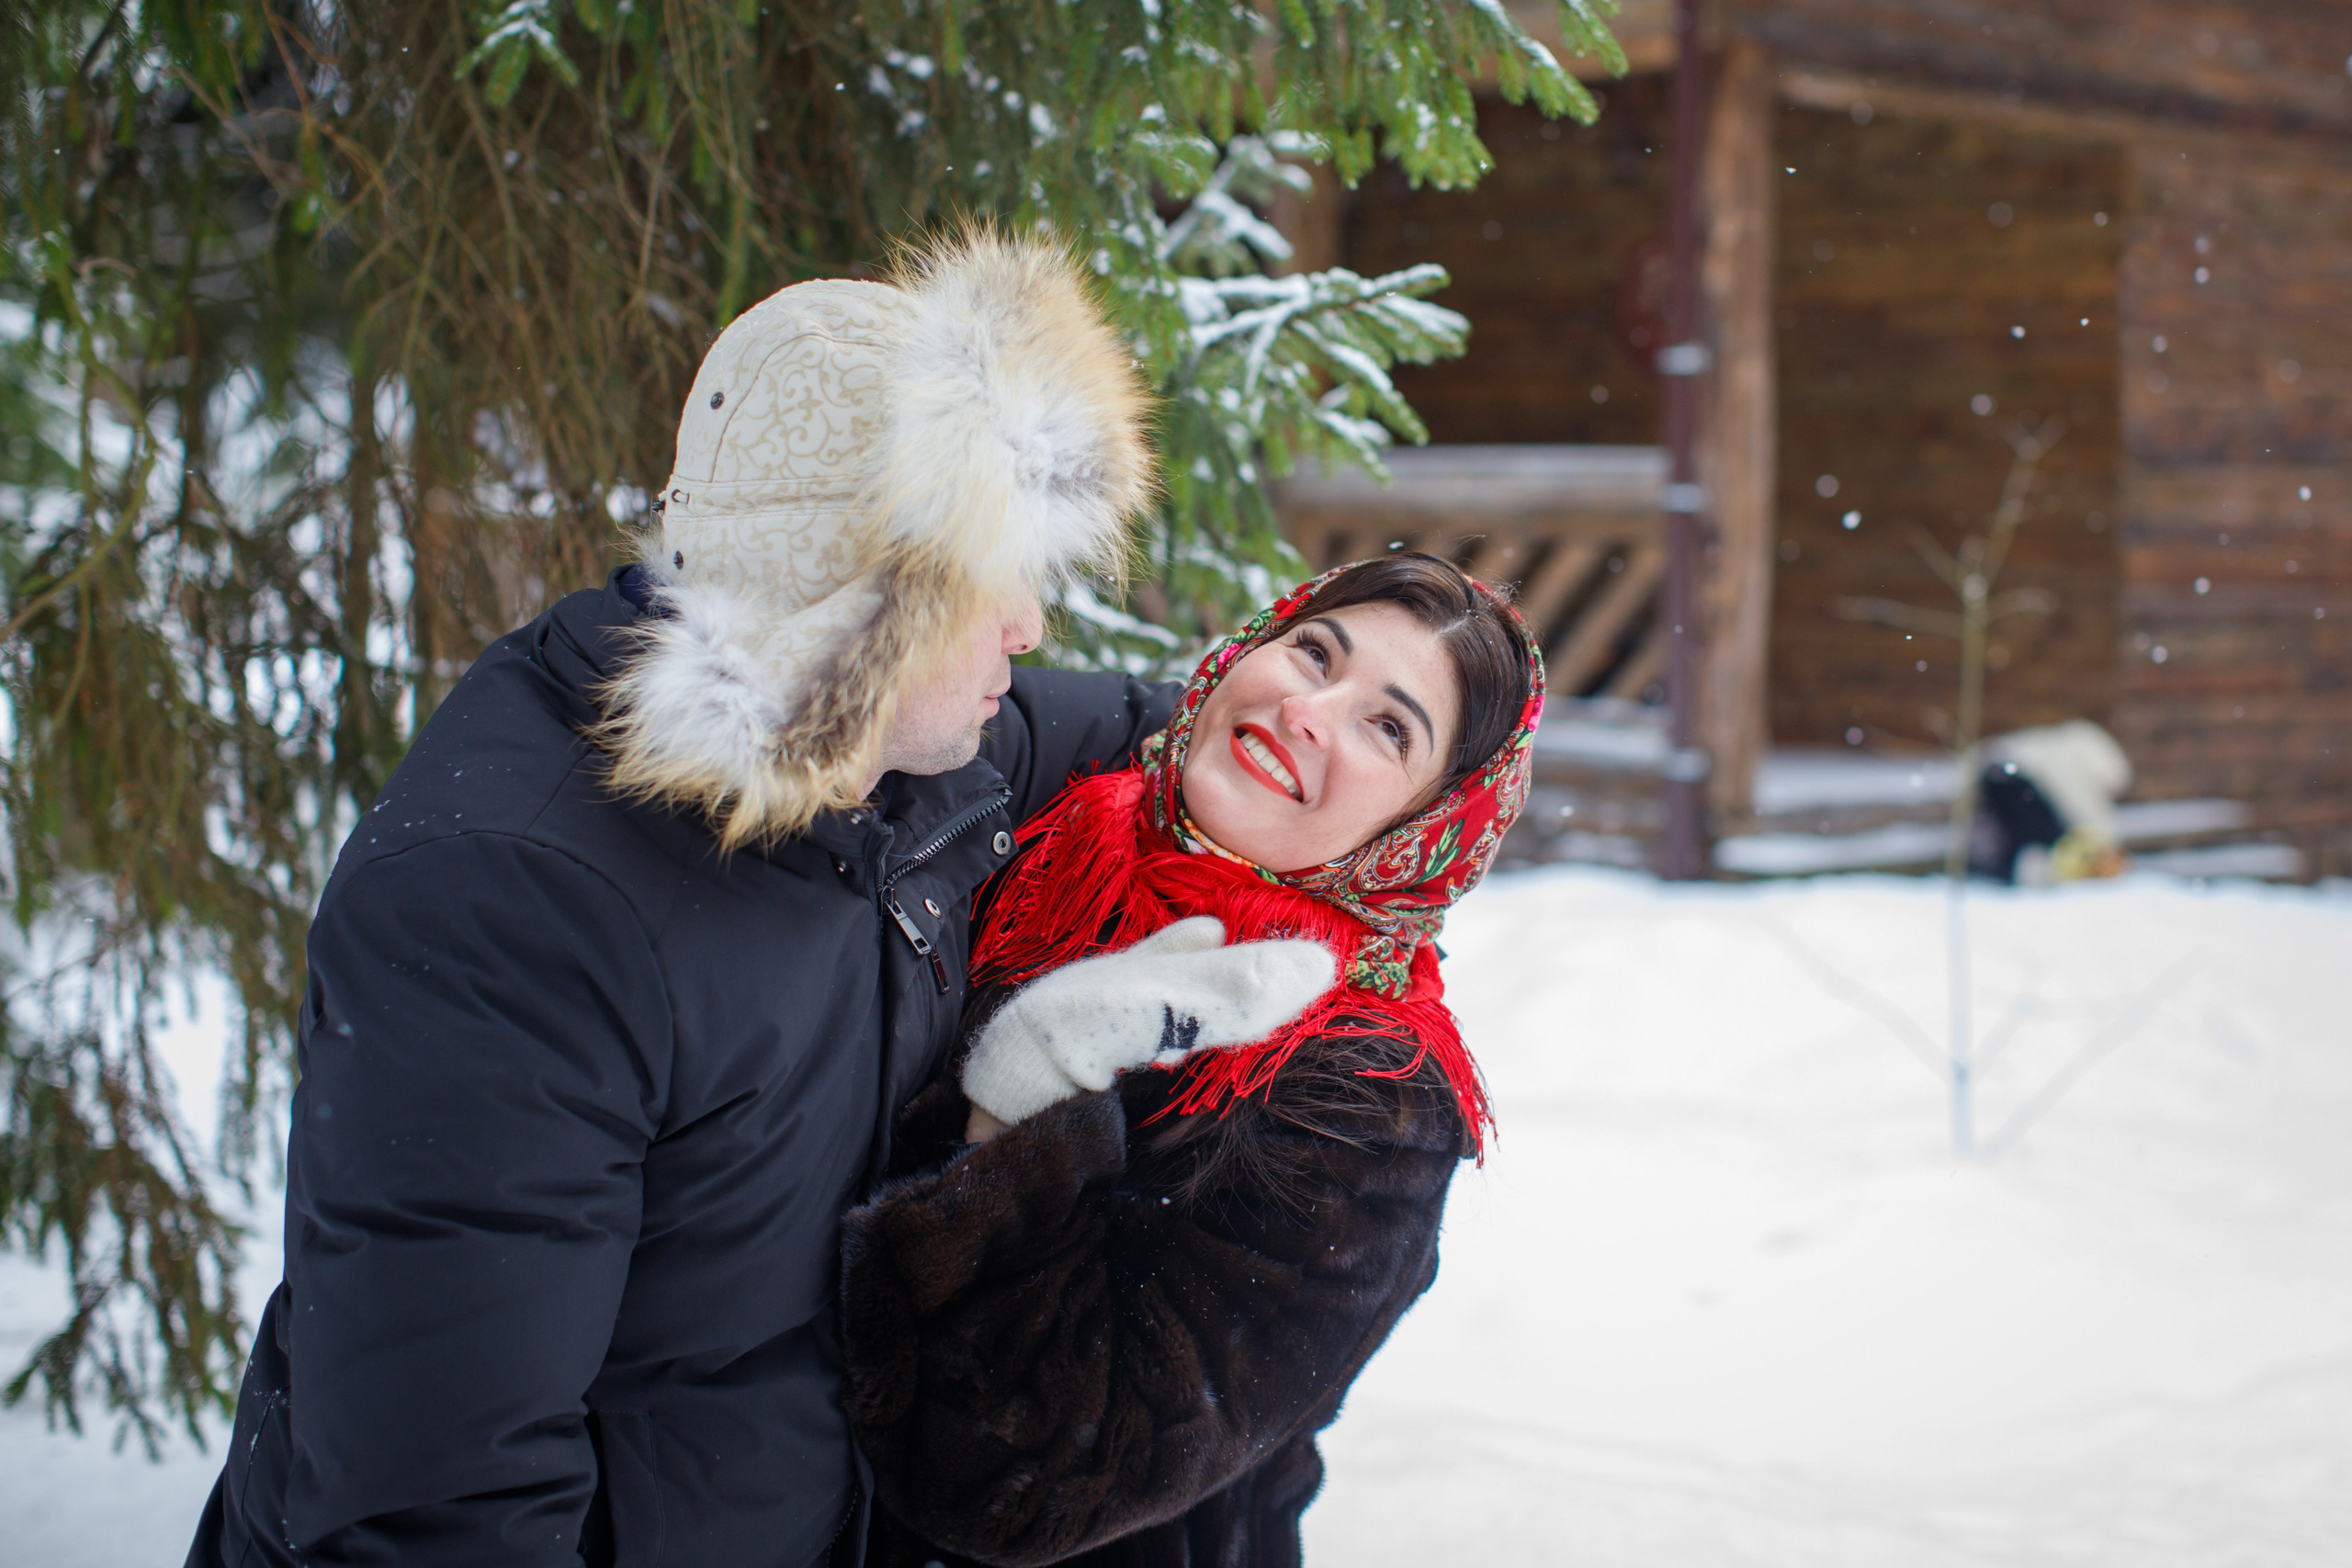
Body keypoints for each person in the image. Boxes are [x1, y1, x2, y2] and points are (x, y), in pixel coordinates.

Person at [186, 232, 1324, 1568]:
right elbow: (435, 1500)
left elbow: (1143, 734)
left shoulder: (900, 751)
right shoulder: (515, 902)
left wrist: (1354, 787)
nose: (1027, 625)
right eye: (988, 577)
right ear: (855, 606)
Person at [838, 552, 1544, 1568]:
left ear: (1422, 829)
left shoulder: (1366, 1098)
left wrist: (1023, 1115)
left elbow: (1024, 1486)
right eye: (1314, 653)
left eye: (1389, 728)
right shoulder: (1039, 823)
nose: (1309, 711)